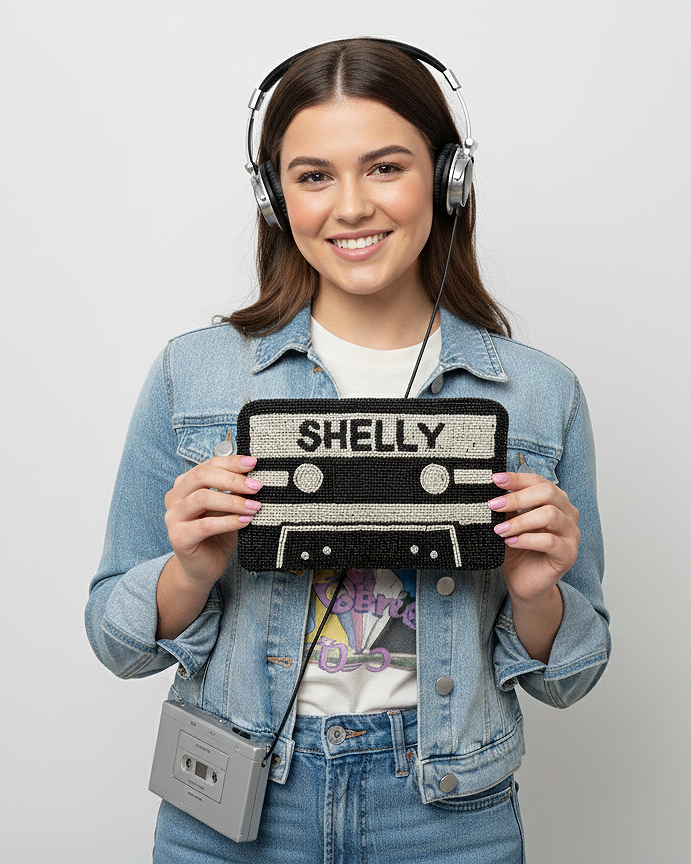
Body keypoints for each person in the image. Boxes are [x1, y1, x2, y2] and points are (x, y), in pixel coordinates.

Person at [85, 38, 610, 863]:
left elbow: (568, 678)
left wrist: (537, 594)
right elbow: (116, 645)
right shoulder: (193, 375)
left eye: (385, 167)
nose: (351, 206)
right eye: (313, 175)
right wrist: (187, 568)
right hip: (239, 796)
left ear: (447, 180)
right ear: (273, 196)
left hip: (445, 810)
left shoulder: (537, 395)